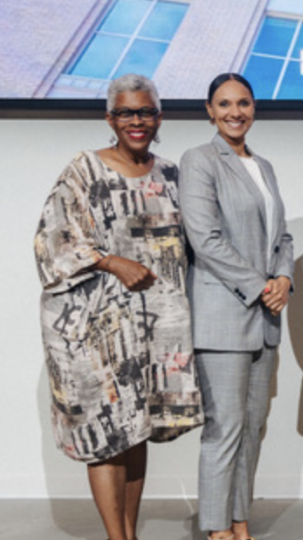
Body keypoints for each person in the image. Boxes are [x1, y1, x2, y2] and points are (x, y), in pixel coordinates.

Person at [34, 73, 203, 540]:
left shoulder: (170, 174)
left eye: (145, 111)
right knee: (107, 435)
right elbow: (53, 240)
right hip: (95, 332)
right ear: (110, 118)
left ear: (159, 118)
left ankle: (127, 532)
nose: (137, 120)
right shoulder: (84, 169)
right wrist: (111, 262)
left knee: (135, 430)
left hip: (155, 330)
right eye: (127, 112)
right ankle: (117, 537)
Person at [179, 72, 294, 540]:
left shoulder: (262, 167)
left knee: (253, 427)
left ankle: (239, 518)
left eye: (243, 103)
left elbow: (281, 237)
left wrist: (284, 277)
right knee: (223, 429)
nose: (235, 112)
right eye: (224, 104)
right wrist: (262, 284)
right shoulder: (199, 160)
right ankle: (215, 527)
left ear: (254, 108)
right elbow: (204, 240)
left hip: (264, 318)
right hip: (223, 316)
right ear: (209, 110)